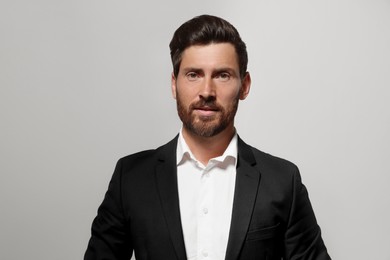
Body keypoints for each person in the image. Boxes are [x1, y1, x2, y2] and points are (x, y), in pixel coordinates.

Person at [84, 14, 331, 260]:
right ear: (174, 84)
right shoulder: (130, 178)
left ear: (244, 86)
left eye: (222, 75)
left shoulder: (282, 181)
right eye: (194, 74)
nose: (206, 92)